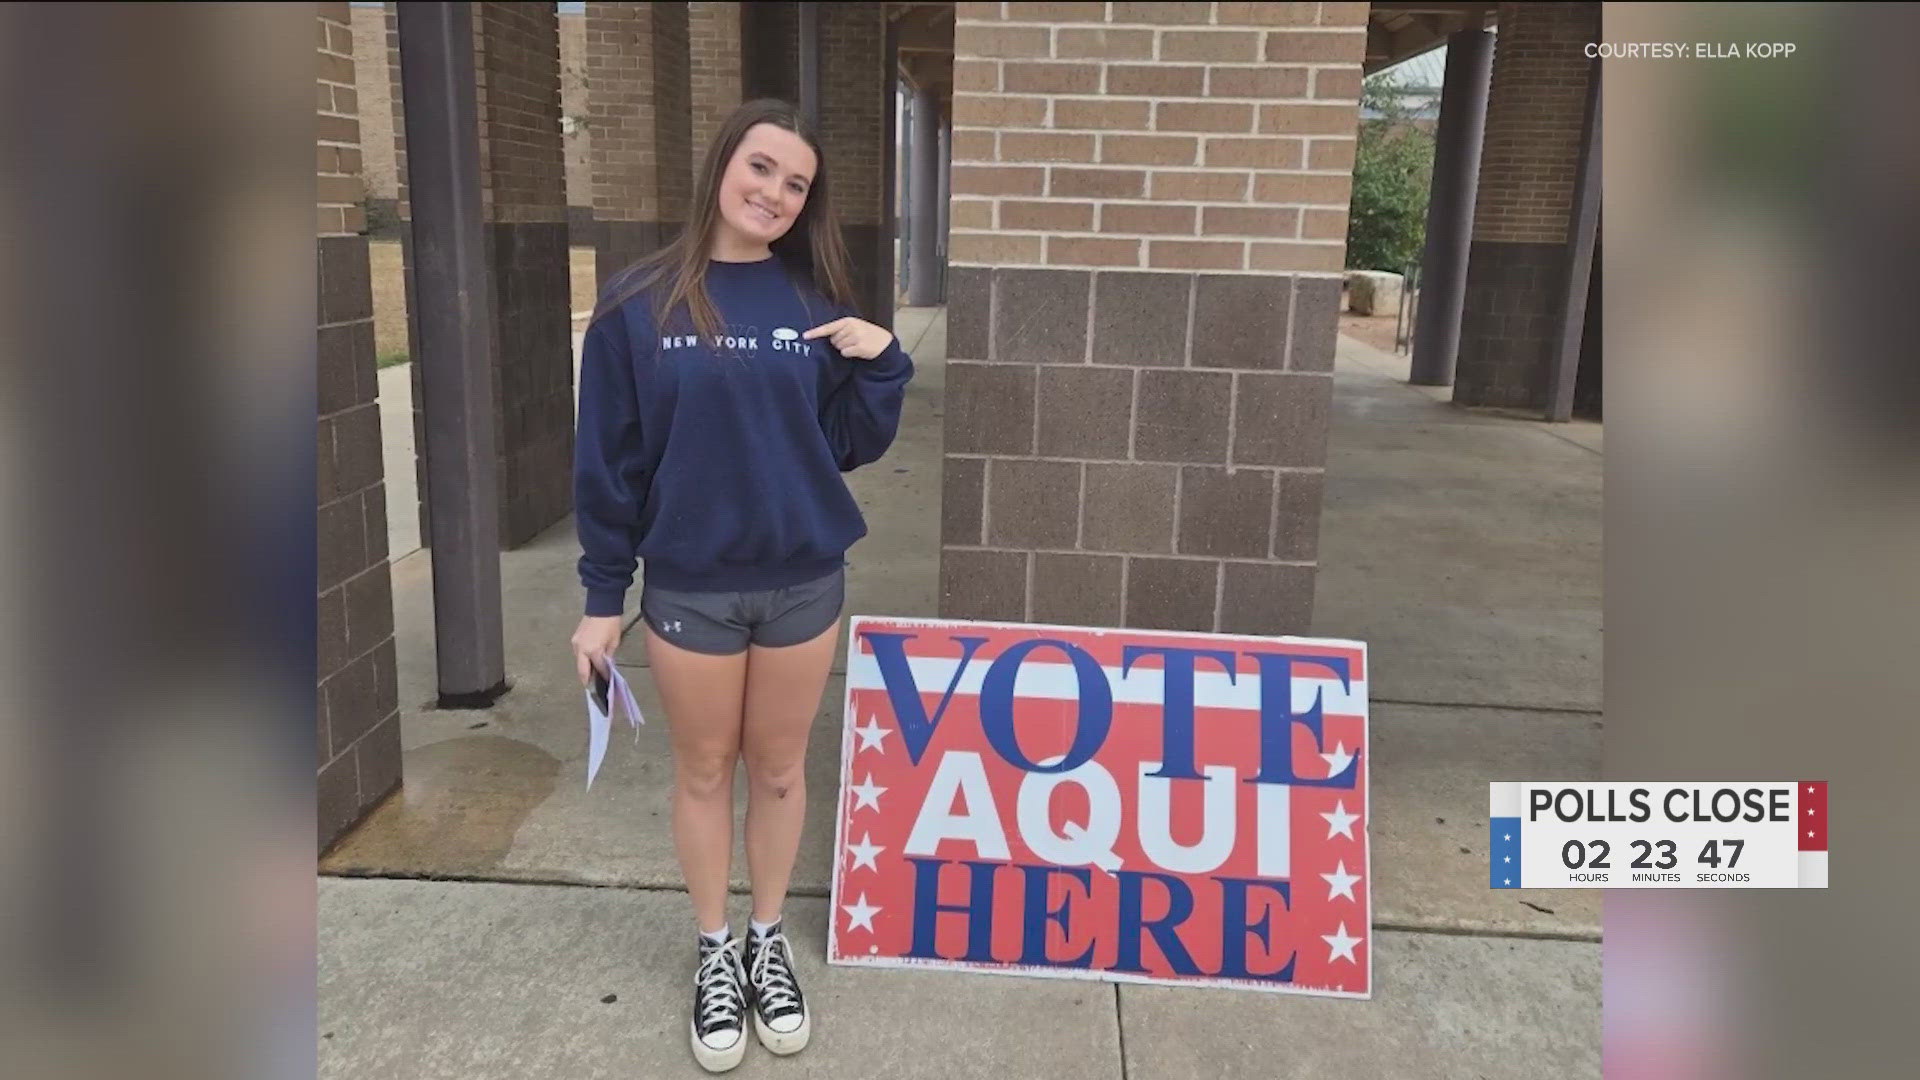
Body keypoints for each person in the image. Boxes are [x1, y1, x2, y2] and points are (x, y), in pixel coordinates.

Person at [569, 98, 912, 1072]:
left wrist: (883, 364)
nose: (774, 192)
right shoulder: (638, 308)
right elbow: (609, 467)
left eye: (795, 184)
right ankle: (716, 951)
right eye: (761, 168)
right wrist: (602, 600)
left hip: (804, 579)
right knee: (705, 770)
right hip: (691, 589)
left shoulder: (811, 304)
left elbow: (844, 443)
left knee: (778, 770)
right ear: (723, 165)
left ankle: (769, 940)